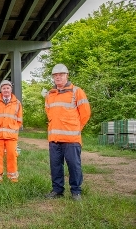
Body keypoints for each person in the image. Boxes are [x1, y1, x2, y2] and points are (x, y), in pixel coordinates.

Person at [44, 63, 91, 201]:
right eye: (55, 75)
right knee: (55, 166)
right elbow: (49, 113)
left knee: (74, 165)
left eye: (61, 75)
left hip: (71, 139)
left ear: (67, 76)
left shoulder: (77, 91)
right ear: (53, 77)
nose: (58, 77)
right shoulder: (50, 94)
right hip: (54, 138)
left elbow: (85, 113)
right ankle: (57, 190)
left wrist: (76, 128)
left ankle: (76, 191)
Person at [0, 80, 23, 183]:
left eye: (8, 88)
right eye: (4, 88)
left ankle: (12, 176)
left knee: (12, 154)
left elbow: (19, 120)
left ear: (11, 89)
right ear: (1, 90)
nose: (6, 90)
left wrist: (13, 128)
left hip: (11, 135)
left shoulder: (17, 103)